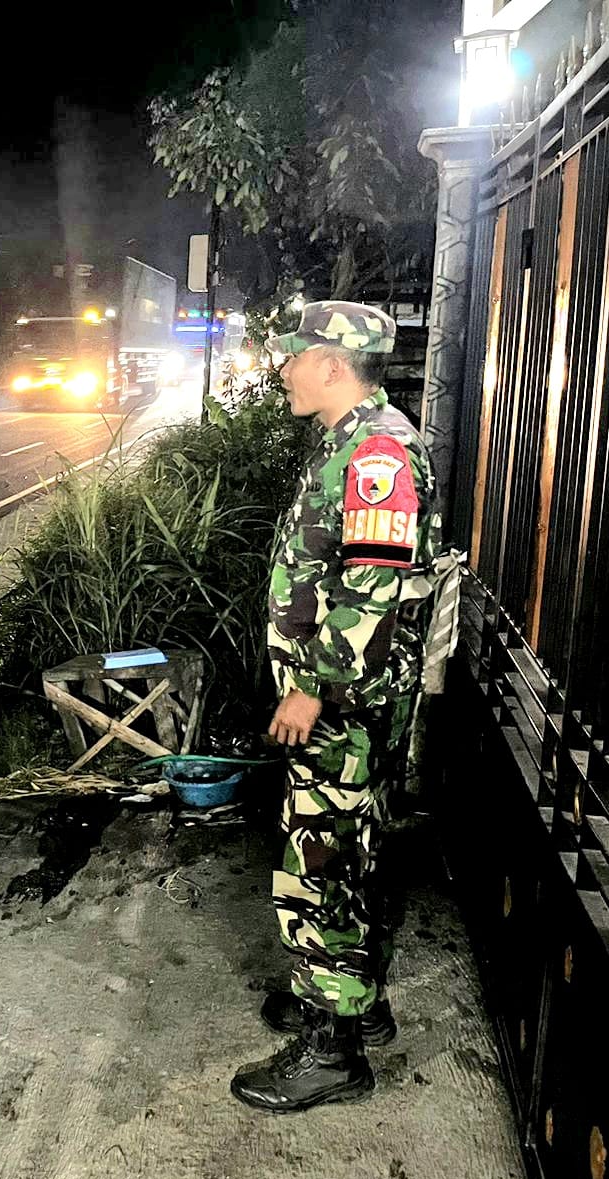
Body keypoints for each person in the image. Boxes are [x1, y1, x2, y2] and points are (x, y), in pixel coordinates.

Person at [231, 301, 444, 1113]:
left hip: (342, 703)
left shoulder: (376, 449)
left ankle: (333, 1049)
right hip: (349, 701)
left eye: (292, 357)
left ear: (331, 363)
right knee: (347, 847)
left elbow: (369, 589)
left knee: (318, 862)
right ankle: (346, 993)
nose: (281, 369)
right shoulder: (354, 439)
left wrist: (310, 686)